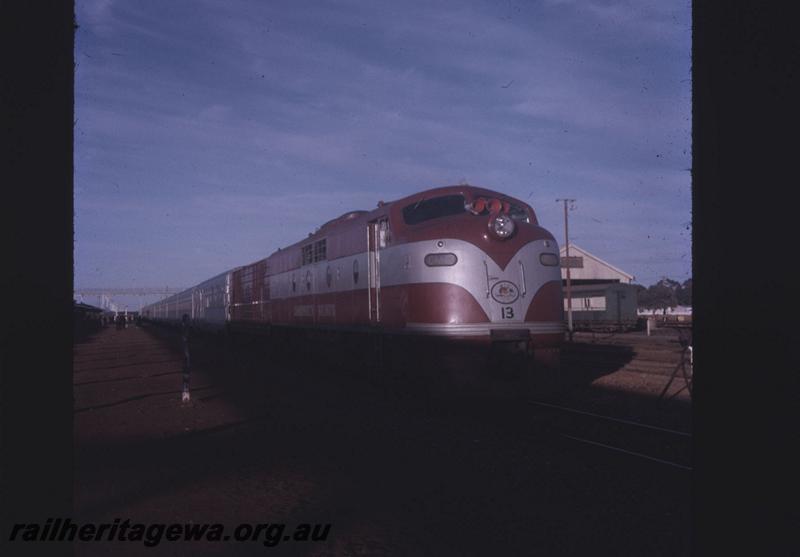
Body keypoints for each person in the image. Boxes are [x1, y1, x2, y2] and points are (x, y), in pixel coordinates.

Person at [181, 314, 191, 402]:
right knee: (186, 373)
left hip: (185, 355)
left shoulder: (183, 330)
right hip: (186, 355)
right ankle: (185, 392)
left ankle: (185, 392)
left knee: (186, 374)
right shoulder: (187, 330)